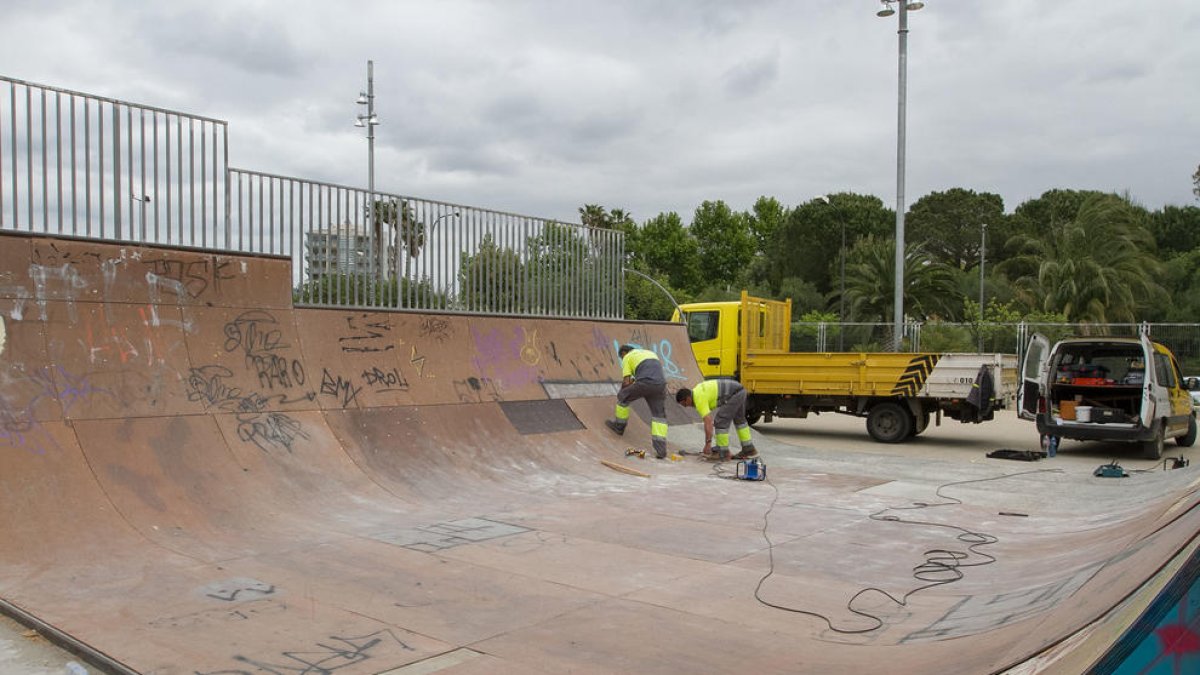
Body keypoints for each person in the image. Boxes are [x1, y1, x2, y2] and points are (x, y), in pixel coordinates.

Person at [604, 344, 670, 459]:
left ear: (624, 353)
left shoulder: (627, 357)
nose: (622, 360)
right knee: (659, 416)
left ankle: (619, 427)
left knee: (622, 396)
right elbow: (650, 371)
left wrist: (623, 391)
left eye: (621, 357)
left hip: (645, 383)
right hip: (660, 385)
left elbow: (627, 381)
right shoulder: (649, 353)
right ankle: (661, 450)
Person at [675, 379, 756, 462]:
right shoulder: (697, 392)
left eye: (684, 404)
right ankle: (748, 449)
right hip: (740, 391)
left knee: (720, 421)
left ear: (687, 398)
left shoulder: (698, 398)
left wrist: (708, 444)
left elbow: (708, 422)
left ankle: (723, 453)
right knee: (739, 420)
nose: (685, 406)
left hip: (735, 393)